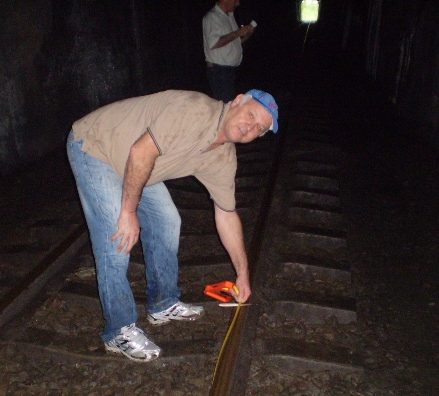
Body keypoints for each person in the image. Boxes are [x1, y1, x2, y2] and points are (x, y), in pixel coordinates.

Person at [66, 88, 279, 362]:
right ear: (237, 101)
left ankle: (162, 302)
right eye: (251, 115)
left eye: (259, 128)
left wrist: (243, 274)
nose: (250, 127)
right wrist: (128, 212)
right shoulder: (194, 110)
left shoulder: (222, 157)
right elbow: (141, 151)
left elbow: (227, 214)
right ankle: (118, 330)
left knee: (167, 221)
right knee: (117, 237)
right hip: (97, 146)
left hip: (138, 162)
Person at [203, 0, 255, 102]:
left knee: (229, 103)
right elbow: (214, 43)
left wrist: (246, 35)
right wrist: (238, 32)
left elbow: (234, 43)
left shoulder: (229, 16)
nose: (238, 3)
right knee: (225, 105)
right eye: (236, 0)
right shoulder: (212, 17)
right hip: (219, 71)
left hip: (228, 70)